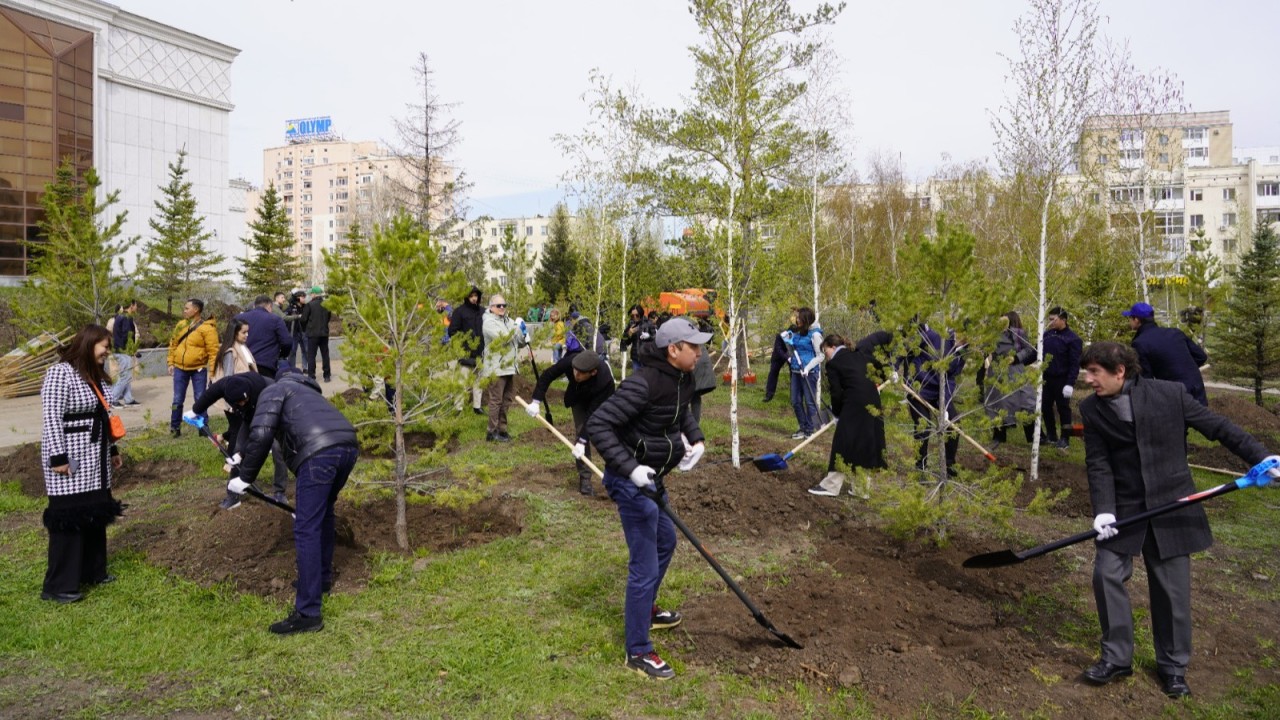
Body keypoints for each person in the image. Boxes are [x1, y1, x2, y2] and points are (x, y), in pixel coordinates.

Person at [1077, 341, 1277, 699]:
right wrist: (1103, 508)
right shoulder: (1091, 409)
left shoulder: (1169, 394)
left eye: (1095, 372)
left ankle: (1172, 667)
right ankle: (1117, 657)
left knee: (1171, 590)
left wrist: (1263, 456)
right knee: (1106, 573)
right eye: (1087, 372)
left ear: (1119, 371)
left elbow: (1218, 427)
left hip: (1172, 503)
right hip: (1124, 506)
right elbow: (1099, 462)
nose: (1088, 379)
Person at [586, 316, 711, 680]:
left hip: (652, 476)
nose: (701, 353)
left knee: (666, 542)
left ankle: (646, 611)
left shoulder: (681, 378)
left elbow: (681, 412)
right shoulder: (642, 384)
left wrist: (697, 439)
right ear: (673, 350)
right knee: (644, 565)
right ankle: (638, 651)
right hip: (631, 480)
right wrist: (630, 469)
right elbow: (598, 425)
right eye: (694, 347)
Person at [221, 369, 359, 634]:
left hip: (319, 454)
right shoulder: (306, 391)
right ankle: (322, 580)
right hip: (347, 447)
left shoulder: (272, 391)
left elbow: (261, 434)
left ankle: (308, 613)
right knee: (324, 514)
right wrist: (241, 456)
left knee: (306, 528)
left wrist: (245, 477)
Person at [39, 324, 124, 604]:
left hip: (95, 458)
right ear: (89, 344)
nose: (107, 352)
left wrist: (112, 449)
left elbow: (104, 412)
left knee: (94, 513)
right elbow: (51, 417)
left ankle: (93, 571)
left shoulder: (94, 374)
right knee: (70, 517)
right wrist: (58, 457)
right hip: (70, 457)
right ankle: (59, 585)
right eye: (104, 346)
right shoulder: (59, 373)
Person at [527, 344, 616, 496]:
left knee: (603, 437)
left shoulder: (605, 381)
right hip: (578, 399)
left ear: (593, 372)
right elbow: (547, 375)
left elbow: (593, 414)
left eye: (580, 374)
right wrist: (536, 400)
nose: (575, 375)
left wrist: (583, 440)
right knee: (580, 431)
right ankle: (585, 479)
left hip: (599, 403)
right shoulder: (572, 362)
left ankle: (616, 479)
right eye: (574, 371)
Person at [808, 332, 889, 497]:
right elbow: (879, 369)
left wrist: (837, 414)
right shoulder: (859, 356)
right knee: (864, 441)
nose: (826, 357)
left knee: (843, 442)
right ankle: (862, 489)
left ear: (833, 346)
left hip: (855, 403)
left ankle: (831, 486)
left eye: (826, 352)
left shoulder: (834, 364)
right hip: (873, 401)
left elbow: (836, 393)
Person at [903, 322, 965, 475]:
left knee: (954, 423)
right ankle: (921, 465)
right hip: (919, 390)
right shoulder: (936, 337)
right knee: (923, 426)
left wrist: (945, 406)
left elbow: (950, 379)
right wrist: (898, 370)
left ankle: (949, 465)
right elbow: (908, 348)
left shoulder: (964, 352)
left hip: (939, 394)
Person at [1124, 301, 1209, 407]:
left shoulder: (1139, 343)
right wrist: (1184, 369)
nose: (1129, 321)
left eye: (1130, 318)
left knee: (1177, 423)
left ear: (1136, 320)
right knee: (1203, 422)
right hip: (1197, 388)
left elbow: (1146, 379)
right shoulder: (1175, 332)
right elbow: (1201, 356)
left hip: (1175, 394)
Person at [984, 311, 1038, 449]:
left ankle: (1033, 436)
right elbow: (985, 348)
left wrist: (1016, 358)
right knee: (998, 402)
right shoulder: (993, 335)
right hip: (997, 371)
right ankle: (999, 436)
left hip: (1015, 370)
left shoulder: (1019, 334)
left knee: (1026, 400)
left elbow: (1029, 349)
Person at [167, 298, 218, 438]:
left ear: (196, 310)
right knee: (177, 399)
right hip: (179, 369)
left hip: (198, 370)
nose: (184, 311)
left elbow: (213, 352)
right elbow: (173, 345)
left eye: (186, 308)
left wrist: (213, 373)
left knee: (200, 398)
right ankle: (174, 427)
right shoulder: (181, 325)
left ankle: (203, 427)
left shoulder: (207, 328)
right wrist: (171, 362)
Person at [481, 293, 524, 442]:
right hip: (496, 367)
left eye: (504, 305)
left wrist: (524, 334)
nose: (501, 308)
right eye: (498, 305)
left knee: (507, 400)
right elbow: (504, 339)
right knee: (496, 400)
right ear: (491, 307)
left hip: (510, 367)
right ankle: (491, 432)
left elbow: (519, 341)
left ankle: (502, 429)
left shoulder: (508, 320)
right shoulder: (488, 323)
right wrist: (516, 329)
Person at [1041, 306, 1083, 451]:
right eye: (1049, 319)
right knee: (1045, 407)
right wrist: (1018, 359)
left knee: (1063, 408)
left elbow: (1074, 364)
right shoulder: (1047, 335)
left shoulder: (1072, 339)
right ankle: (1051, 435)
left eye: (1053, 319)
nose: (1050, 322)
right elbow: (1036, 353)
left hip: (1062, 379)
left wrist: (1070, 383)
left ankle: (1065, 437)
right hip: (1046, 378)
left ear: (1063, 320)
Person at [782, 307, 824, 439]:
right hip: (796, 371)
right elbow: (793, 348)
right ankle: (803, 427)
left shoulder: (815, 335)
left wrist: (808, 368)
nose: (797, 319)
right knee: (795, 401)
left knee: (810, 402)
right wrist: (789, 350)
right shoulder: (799, 332)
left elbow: (821, 356)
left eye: (799, 317)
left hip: (809, 373)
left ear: (806, 319)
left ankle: (811, 430)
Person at [447, 286, 486, 414]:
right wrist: (463, 343)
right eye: (471, 296)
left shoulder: (483, 312)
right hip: (465, 353)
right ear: (467, 297)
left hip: (480, 352)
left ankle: (477, 406)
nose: (474, 298)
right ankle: (458, 407)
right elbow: (452, 330)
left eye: (476, 295)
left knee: (479, 382)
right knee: (461, 382)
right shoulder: (459, 311)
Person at [235, 295, 292, 379]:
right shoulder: (275, 319)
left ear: (254, 305)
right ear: (269, 306)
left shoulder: (238, 318)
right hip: (266, 364)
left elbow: (229, 339)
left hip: (241, 364)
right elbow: (287, 342)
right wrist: (281, 355)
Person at [109, 299, 142, 408]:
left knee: (126, 376)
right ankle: (112, 399)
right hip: (123, 351)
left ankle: (128, 399)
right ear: (131, 306)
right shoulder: (125, 318)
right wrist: (131, 350)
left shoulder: (121, 317)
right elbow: (127, 336)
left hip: (120, 350)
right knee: (125, 376)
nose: (137, 307)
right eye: (136, 305)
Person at [300, 286, 333, 382]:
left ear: (314, 294)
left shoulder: (309, 305)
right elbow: (328, 317)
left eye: (311, 294)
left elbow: (303, 319)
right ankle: (327, 375)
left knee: (311, 355)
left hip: (312, 333)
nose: (310, 295)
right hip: (324, 333)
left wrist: (306, 329)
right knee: (325, 354)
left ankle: (311, 376)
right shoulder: (327, 305)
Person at [619, 304, 655, 371]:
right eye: (632, 316)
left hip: (647, 357)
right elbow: (625, 342)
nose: (635, 317)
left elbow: (655, 338)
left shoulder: (649, 323)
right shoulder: (631, 324)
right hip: (636, 357)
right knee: (637, 378)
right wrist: (629, 334)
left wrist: (649, 336)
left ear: (641, 314)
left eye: (637, 315)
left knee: (647, 378)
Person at [285, 290, 307, 368]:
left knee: (305, 350)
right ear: (297, 298)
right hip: (293, 332)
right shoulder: (290, 308)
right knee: (293, 351)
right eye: (303, 297)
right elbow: (286, 319)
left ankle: (305, 367)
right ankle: (292, 368)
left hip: (304, 332)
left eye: (305, 297)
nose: (304, 299)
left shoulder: (306, 307)